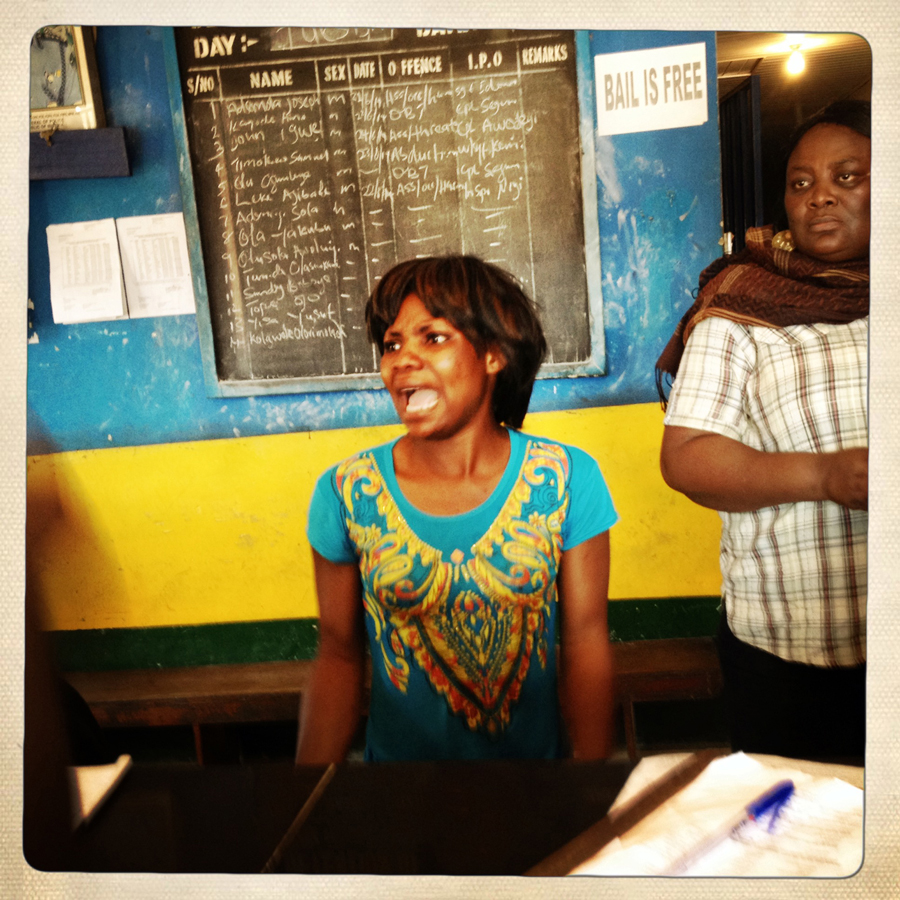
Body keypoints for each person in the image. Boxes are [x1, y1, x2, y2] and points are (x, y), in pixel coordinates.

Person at [296, 255, 618, 763]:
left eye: (434, 337)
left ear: (493, 354)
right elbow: (337, 657)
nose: (402, 359)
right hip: (399, 803)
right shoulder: (345, 493)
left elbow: (585, 645)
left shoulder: (566, 480)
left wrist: (593, 788)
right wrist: (303, 798)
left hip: (537, 794)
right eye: (392, 344)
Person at [657, 100, 870, 763]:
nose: (820, 197)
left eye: (849, 176)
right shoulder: (744, 304)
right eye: (801, 183)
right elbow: (687, 457)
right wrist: (825, 474)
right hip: (788, 659)